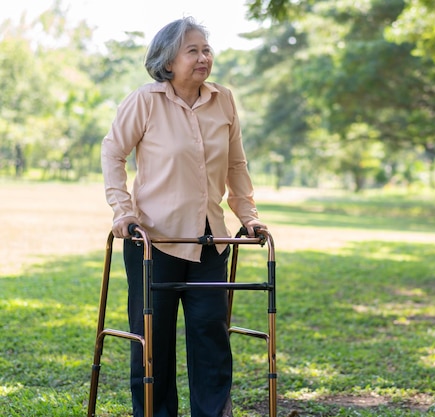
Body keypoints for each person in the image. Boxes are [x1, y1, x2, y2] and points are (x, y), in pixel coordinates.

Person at [101, 16, 267, 417]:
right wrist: (122, 211)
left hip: (209, 241)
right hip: (152, 243)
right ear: (168, 60)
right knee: (152, 344)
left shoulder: (223, 100)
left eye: (206, 49)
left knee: (211, 336)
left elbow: (236, 165)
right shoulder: (145, 100)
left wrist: (248, 216)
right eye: (192, 50)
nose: (202, 57)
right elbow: (113, 152)